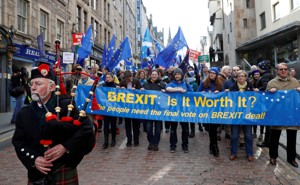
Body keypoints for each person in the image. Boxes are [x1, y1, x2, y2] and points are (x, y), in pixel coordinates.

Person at [12, 64, 95, 184]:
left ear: (51, 87)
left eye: (38, 84)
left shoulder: (66, 106)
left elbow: (87, 128)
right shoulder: (23, 114)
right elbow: (19, 142)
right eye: (31, 84)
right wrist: (34, 159)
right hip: (37, 173)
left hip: (63, 167)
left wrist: (65, 146)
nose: (33, 88)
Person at [267, 63, 300, 167]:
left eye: (285, 69)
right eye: (281, 69)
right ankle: (273, 157)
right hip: (278, 115)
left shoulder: (295, 82)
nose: (283, 71)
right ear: (277, 71)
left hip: (291, 114)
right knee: (274, 138)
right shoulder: (272, 83)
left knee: (292, 137)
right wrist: (270, 92)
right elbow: (266, 99)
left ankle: (291, 158)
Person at [226, 70, 254, 162]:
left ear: (245, 77)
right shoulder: (232, 87)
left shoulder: (250, 87)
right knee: (234, 135)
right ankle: (233, 153)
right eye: (239, 76)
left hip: (247, 114)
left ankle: (250, 153)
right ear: (236, 78)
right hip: (236, 114)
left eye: (242, 76)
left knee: (248, 135)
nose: (241, 77)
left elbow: (254, 99)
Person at [166, 68, 193, 153]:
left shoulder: (186, 84)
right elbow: (168, 89)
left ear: (181, 75)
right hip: (173, 110)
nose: (177, 76)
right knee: (173, 129)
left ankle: (185, 145)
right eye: (176, 74)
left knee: (185, 129)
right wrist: (178, 90)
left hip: (184, 110)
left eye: (178, 74)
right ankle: (173, 145)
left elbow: (192, 93)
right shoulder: (171, 84)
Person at [198, 67, 223, 157]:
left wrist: (219, 93)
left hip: (216, 109)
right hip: (207, 110)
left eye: (213, 73)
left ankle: (213, 145)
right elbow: (197, 93)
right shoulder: (204, 83)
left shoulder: (219, 84)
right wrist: (203, 93)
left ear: (216, 75)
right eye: (210, 73)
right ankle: (213, 145)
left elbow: (224, 95)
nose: (211, 74)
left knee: (214, 128)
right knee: (210, 129)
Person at [142, 69, 166, 151]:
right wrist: (141, 91)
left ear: (158, 75)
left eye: (156, 74)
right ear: (150, 75)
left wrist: (165, 91)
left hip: (158, 110)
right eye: (153, 74)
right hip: (149, 109)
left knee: (158, 128)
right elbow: (141, 94)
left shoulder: (162, 84)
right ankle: (150, 142)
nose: (154, 76)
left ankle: (156, 143)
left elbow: (167, 96)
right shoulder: (146, 84)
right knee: (148, 128)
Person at [120, 70, 142, 147]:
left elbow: (142, 92)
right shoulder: (123, 82)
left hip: (135, 106)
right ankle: (129, 141)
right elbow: (119, 93)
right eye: (126, 78)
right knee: (127, 125)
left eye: (128, 78)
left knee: (136, 125)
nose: (127, 80)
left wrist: (136, 90)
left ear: (131, 76)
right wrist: (120, 89)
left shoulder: (137, 82)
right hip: (126, 107)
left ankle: (136, 140)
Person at [256, 60, 274, 148]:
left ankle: (267, 142)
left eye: (259, 67)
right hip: (268, 102)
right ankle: (268, 141)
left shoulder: (265, 76)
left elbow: (265, 87)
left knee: (268, 123)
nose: (258, 69)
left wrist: (258, 89)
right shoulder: (268, 75)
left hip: (266, 102)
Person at [101, 72, 118, 149]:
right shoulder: (103, 85)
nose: (107, 79)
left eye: (109, 77)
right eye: (106, 77)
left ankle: (113, 140)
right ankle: (106, 141)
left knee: (113, 125)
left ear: (112, 78)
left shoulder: (115, 86)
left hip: (113, 108)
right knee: (106, 125)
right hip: (106, 108)